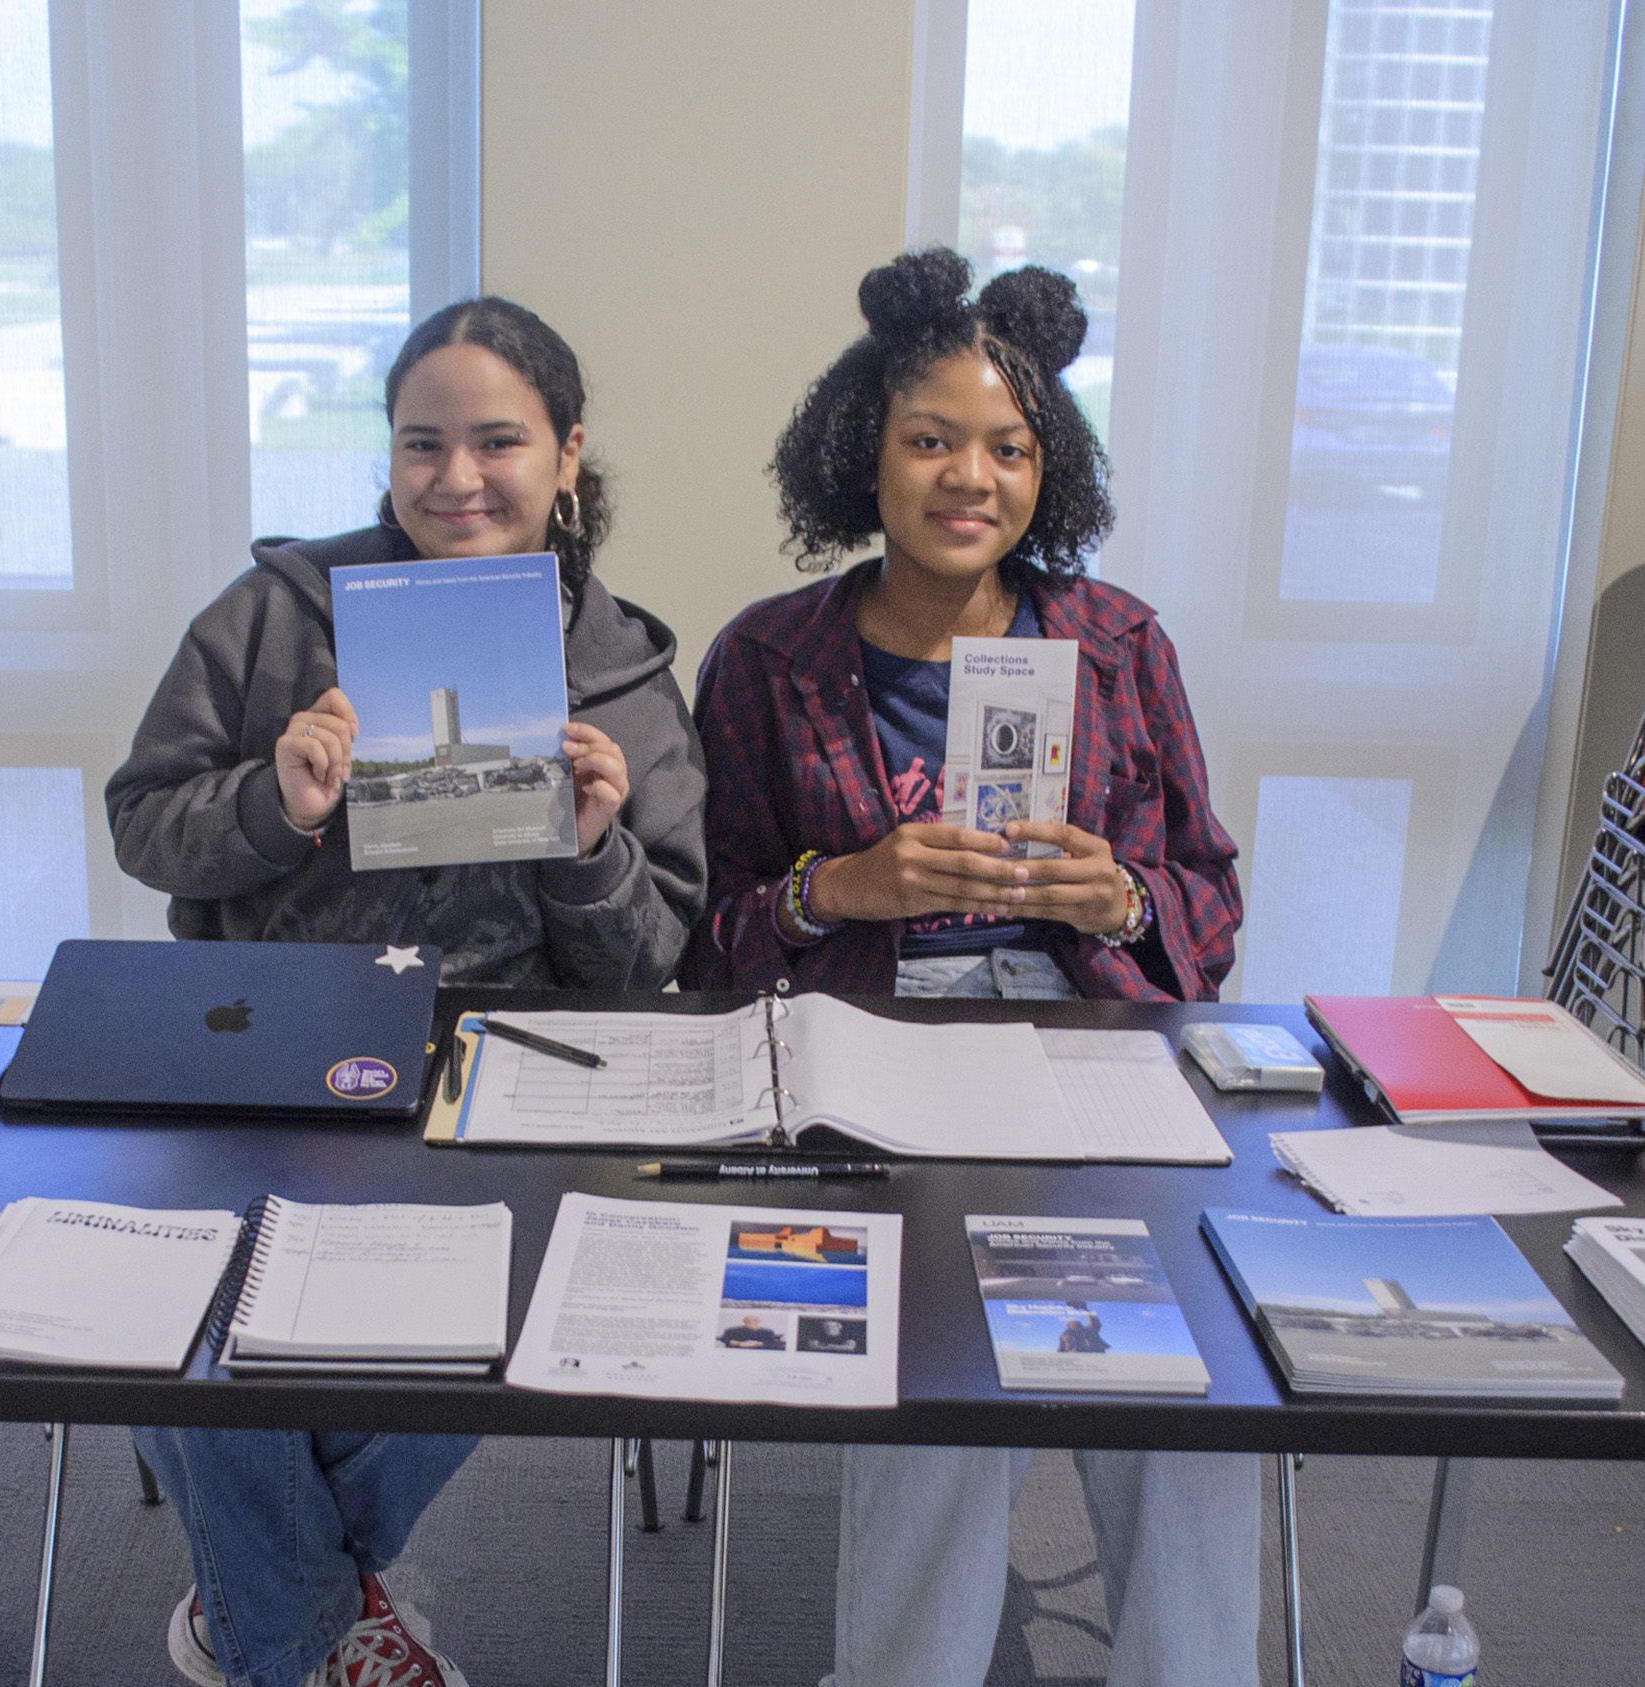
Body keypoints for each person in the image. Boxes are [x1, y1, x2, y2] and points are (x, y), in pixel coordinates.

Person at [107, 295, 708, 1687]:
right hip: (273, 1039)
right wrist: (273, 799)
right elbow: (143, 823)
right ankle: (316, 1623)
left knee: (538, 1303)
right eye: (420, 443)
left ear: (568, 454)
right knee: (202, 1309)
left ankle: (268, 1611)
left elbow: (650, 961)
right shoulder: (269, 621)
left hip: (514, 1071)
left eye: (498, 442)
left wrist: (593, 852)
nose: (456, 479)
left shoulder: (622, 673)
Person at [679, 248, 1257, 1687]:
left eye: (1008, 448)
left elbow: (1212, 900)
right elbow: (703, 941)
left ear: (1046, 471)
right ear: (860, 455)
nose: (968, 478)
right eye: (930, 440)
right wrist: (839, 887)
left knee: (1181, 1380)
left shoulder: (1117, 646)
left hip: (1091, 1042)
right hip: (869, 1049)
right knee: (935, 1378)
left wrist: (1117, 900)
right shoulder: (765, 659)